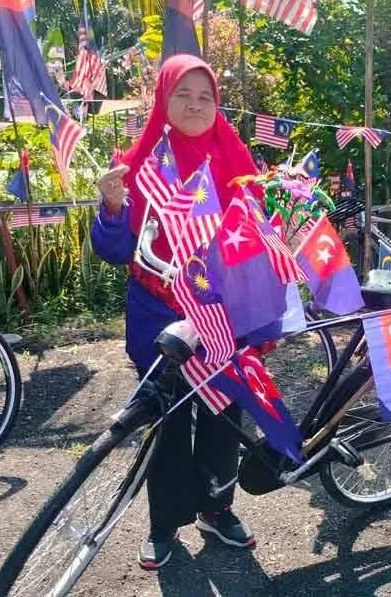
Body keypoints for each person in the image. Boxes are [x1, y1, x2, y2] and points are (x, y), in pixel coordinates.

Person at [91, 54, 258, 569]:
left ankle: (217, 509)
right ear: (163, 101)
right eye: (182, 94)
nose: (194, 105)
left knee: (222, 413)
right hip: (156, 311)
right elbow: (116, 250)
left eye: (205, 97)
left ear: (217, 104)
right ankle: (164, 524)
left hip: (220, 314)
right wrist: (113, 206)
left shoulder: (235, 158)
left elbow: (257, 234)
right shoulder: (141, 163)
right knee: (165, 419)